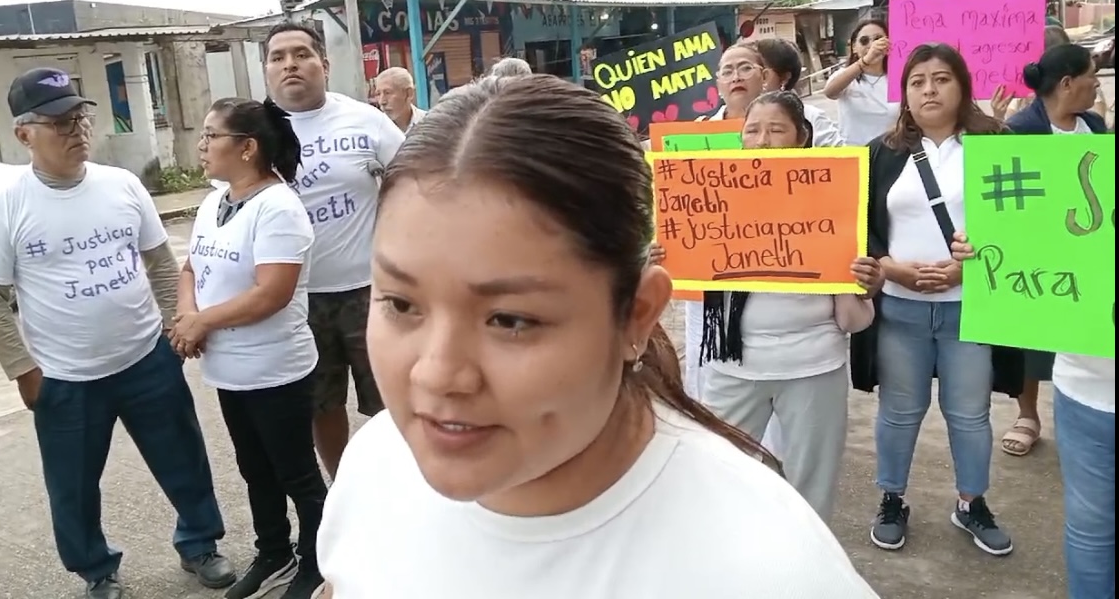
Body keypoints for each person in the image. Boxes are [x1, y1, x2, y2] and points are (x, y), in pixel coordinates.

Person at [313, 74, 880, 598]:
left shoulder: (768, 572)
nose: (437, 375)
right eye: (401, 303)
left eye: (510, 320)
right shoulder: (373, 466)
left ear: (637, 314)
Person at [0, 67, 235, 599]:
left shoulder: (122, 185)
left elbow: (160, 263)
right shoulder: (3, 207)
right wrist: (23, 370)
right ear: (24, 133)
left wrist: (173, 326)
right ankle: (95, 569)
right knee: (73, 485)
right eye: (60, 122)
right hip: (65, 378)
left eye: (80, 117)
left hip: (146, 359)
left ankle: (200, 542)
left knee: (183, 458)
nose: (78, 131)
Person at [657, 90, 881, 519]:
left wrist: (866, 283)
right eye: (752, 131)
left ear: (802, 137)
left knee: (810, 485)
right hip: (733, 366)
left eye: (776, 130)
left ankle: (805, 557)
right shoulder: (710, 198)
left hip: (813, 365)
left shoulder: (833, 198)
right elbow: (679, 272)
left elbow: (855, 306)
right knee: (721, 478)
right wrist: (661, 259)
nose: (761, 140)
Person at [850, 43, 1021, 556]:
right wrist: (889, 266)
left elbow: (1022, 225)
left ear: (962, 86)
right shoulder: (881, 152)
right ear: (904, 92)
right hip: (900, 310)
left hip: (970, 309)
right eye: (917, 81)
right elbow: (860, 226)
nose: (929, 89)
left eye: (942, 79)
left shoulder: (996, 144)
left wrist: (970, 265)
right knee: (899, 411)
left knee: (969, 413)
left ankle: (972, 502)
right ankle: (892, 499)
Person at [174, 97, 330, 599]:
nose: (202, 145)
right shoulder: (214, 201)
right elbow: (191, 268)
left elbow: (272, 293)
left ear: (247, 148)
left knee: (297, 473)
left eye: (211, 135)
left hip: (274, 368)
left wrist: (202, 321)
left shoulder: (278, 207)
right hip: (229, 370)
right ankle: (274, 552)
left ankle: (317, 563)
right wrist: (187, 315)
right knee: (254, 469)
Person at [262, 21, 406, 478]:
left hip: (370, 292)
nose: (290, 64)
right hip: (297, 300)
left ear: (324, 65)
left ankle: (403, 483)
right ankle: (344, 485)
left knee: (392, 399)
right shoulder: (256, 133)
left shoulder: (366, 121)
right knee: (321, 405)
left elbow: (416, 181)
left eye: (301, 54)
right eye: (278, 57)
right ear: (266, 70)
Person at [950, 232, 1114, 599]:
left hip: (1085, 383)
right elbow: (1028, 231)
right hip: (1085, 388)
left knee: (1091, 532)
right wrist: (985, 243)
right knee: (1090, 531)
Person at [992, 43, 1108, 458]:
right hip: (1037, 252)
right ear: (1067, 83)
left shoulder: (1094, 125)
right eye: (1092, 76)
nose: (1097, 85)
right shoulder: (1021, 129)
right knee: (1032, 338)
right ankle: (1028, 415)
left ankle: (1083, 408)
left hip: (1088, 250)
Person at [991, 25, 1109, 123]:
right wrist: (999, 117)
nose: (1096, 82)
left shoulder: (1086, 90)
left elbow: (1098, 129)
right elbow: (1011, 132)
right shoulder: (1022, 106)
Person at [751, 38, 845, 147]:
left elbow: (843, 156)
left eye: (776, 130)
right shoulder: (732, 116)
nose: (740, 77)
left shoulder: (810, 117)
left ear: (784, 78)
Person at [823, 19, 900, 147]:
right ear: (854, 47)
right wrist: (866, 61)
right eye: (864, 41)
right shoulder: (845, 76)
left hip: (889, 151)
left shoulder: (898, 79)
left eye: (878, 39)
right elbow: (830, 92)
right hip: (854, 152)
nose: (872, 45)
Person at [375, 67, 427, 133]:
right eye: (378, 94)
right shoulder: (374, 130)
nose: (382, 101)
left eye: (388, 93)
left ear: (409, 94)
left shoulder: (429, 123)